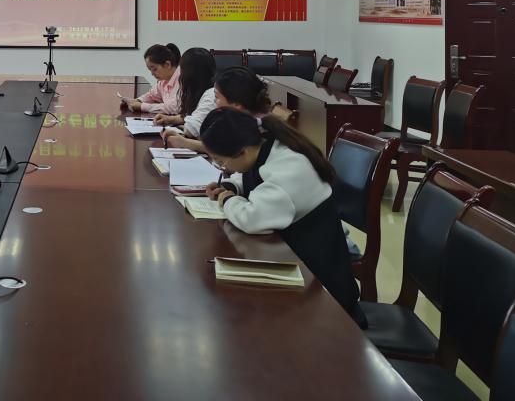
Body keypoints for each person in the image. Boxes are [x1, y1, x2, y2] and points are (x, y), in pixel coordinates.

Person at [200, 107, 366, 327]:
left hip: (321, 291)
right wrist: (231, 186)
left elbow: (253, 219)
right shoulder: (266, 147)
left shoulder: (288, 170)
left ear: (243, 151)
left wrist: (228, 200)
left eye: (221, 161)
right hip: (296, 264)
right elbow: (252, 178)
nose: (223, 167)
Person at [153, 47, 216, 148]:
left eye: (182, 69)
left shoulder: (211, 94)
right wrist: (171, 119)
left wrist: (181, 127)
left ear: (190, 73)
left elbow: (190, 130)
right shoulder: (204, 89)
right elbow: (193, 114)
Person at [120, 43, 181, 115]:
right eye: (150, 70)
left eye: (154, 69)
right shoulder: (163, 80)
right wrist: (137, 101)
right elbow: (152, 95)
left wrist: (142, 106)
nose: (152, 74)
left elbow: (174, 108)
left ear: (167, 64)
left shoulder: (183, 79)